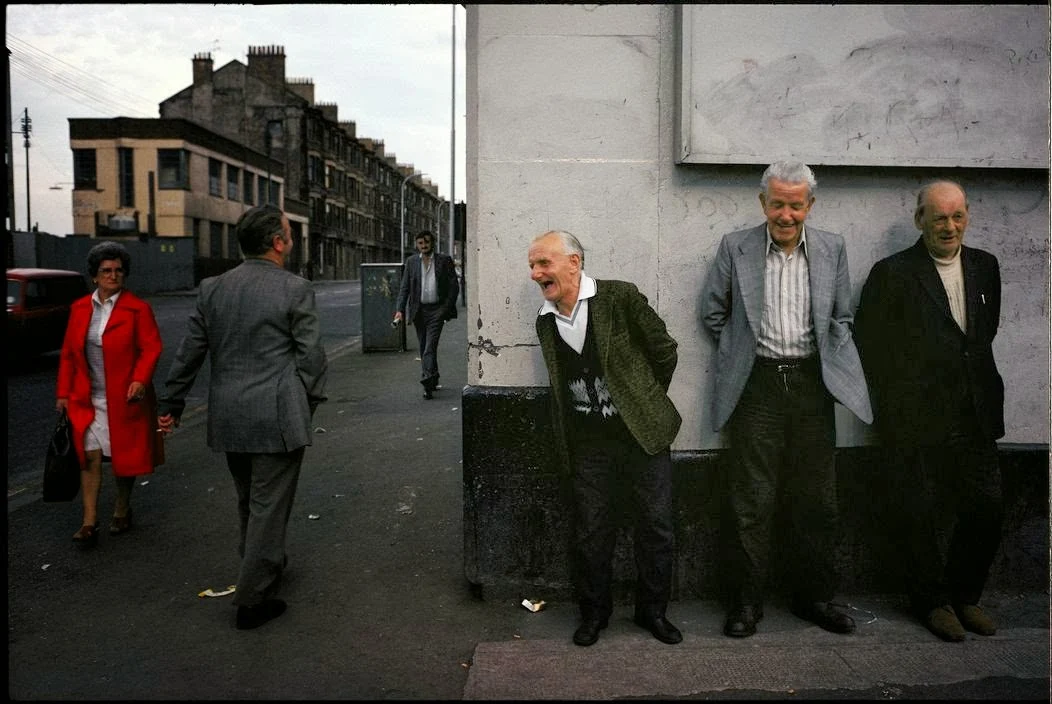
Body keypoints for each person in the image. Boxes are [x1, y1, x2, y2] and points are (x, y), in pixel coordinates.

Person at [700, 161, 873, 638]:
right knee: (751, 499)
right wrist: (741, 352)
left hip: (813, 386)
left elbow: (843, 316)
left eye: (796, 205)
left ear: (809, 206)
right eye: (778, 203)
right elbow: (713, 311)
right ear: (763, 203)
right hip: (757, 386)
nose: (787, 214)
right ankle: (745, 605)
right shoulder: (735, 246)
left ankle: (814, 598)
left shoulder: (831, 247)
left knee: (817, 499)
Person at [158, 205, 328, 630]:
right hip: (276, 414)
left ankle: (264, 563)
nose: (291, 240)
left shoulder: (213, 288)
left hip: (230, 414)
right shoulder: (295, 289)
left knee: (249, 499)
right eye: (289, 234)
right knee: (269, 505)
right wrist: (308, 401)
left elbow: (190, 351)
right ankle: (252, 599)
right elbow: (311, 357)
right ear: (277, 242)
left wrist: (172, 403)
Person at [854, 180, 1005, 643]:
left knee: (987, 507)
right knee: (918, 512)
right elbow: (870, 343)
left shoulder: (985, 266)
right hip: (916, 418)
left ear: (967, 217)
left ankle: (965, 596)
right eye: (939, 216)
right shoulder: (893, 273)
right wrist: (897, 404)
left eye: (957, 216)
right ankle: (933, 603)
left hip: (974, 413)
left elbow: (981, 336)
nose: (949, 226)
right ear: (920, 219)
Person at [528, 230, 683, 647]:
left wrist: (643, 400)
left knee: (656, 527)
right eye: (532, 265)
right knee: (591, 530)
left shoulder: (619, 298)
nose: (535, 273)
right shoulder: (545, 322)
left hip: (642, 436)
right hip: (588, 445)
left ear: (574, 262)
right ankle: (594, 614)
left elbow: (664, 349)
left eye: (543, 263)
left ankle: (654, 613)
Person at [56, 241, 164, 548]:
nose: (112, 276)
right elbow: (67, 354)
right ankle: (89, 521)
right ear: (94, 275)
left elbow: (151, 347)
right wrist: (63, 393)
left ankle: (121, 508)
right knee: (88, 456)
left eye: (118, 270)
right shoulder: (79, 309)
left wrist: (141, 379)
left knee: (122, 458)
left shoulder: (138, 309)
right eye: (106, 270)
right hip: (86, 398)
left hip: (125, 397)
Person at [394, 230, 459, 399]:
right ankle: (434, 376)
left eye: (427, 243)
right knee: (424, 347)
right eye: (421, 243)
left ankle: (427, 382)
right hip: (419, 311)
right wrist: (400, 310)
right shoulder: (411, 262)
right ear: (417, 245)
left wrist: (445, 308)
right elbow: (405, 288)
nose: (424, 246)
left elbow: (453, 287)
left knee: (430, 346)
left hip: (437, 311)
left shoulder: (444, 261)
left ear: (433, 243)